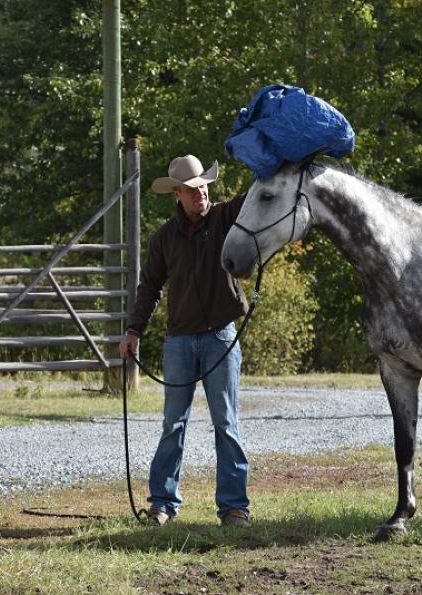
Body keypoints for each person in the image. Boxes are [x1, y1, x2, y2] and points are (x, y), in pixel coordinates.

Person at [119, 154, 251, 528]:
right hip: (179, 341)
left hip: (220, 336)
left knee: (226, 423)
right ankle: (162, 504)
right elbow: (149, 288)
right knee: (173, 424)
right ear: (177, 194)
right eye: (193, 190)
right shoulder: (163, 239)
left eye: (204, 187)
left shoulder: (226, 218)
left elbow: (257, 194)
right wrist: (133, 331)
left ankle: (234, 507)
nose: (201, 195)